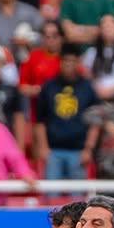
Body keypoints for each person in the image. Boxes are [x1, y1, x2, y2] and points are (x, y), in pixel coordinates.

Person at [36, 44, 96, 181]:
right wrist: (43, 148)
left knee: (78, 200)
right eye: (66, 60)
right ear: (60, 62)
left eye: (72, 60)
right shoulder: (49, 86)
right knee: (51, 198)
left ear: (78, 62)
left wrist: (88, 149)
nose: (69, 64)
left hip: (79, 151)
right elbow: (40, 121)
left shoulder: (87, 87)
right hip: (53, 152)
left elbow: (95, 121)